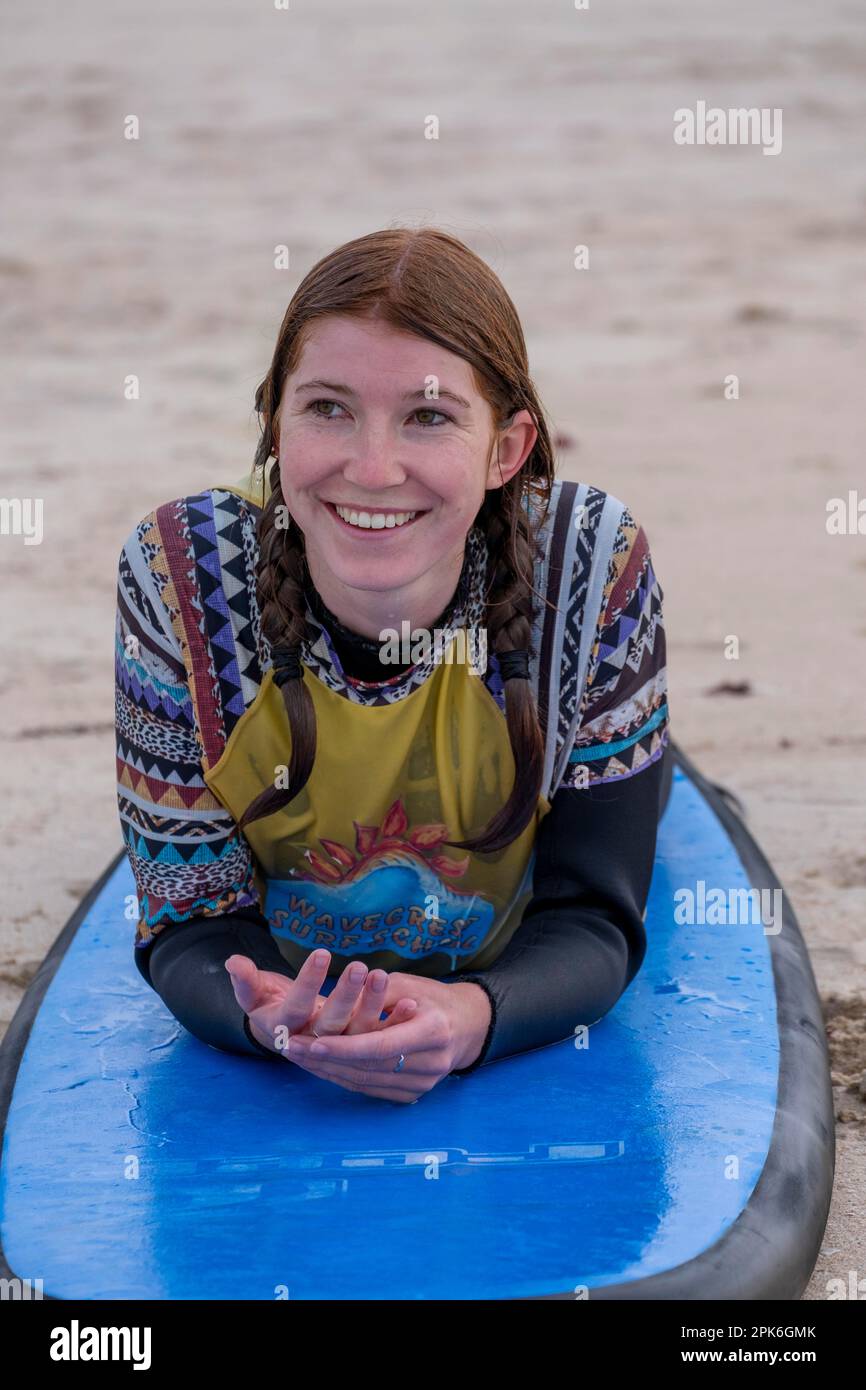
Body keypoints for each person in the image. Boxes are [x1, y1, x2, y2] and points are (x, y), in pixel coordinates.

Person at [114, 226, 671, 1105]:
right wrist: (263, 1013)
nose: (372, 469)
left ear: (508, 448)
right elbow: (188, 916)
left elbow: (594, 915)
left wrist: (473, 1015)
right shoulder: (183, 574)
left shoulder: (586, 563)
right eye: (327, 408)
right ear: (276, 422)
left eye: (429, 415)